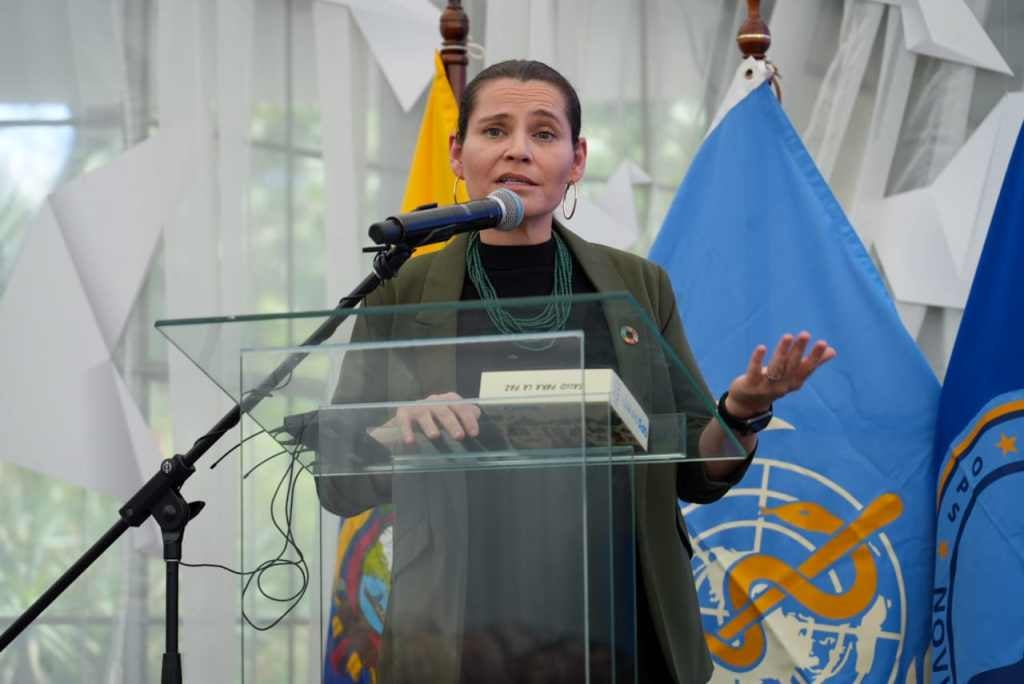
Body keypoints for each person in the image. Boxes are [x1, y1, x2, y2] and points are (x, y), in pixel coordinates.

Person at [317, 59, 835, 683]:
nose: (518, 151)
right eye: (494, 131)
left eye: (542, 133)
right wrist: (389, 431)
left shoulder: (638, 287)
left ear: (577, 159)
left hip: (621, 623)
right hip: (459, 630)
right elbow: (337, 479)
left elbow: (697, 469)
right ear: (457, 154)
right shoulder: (403, 289)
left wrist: (742, 411)